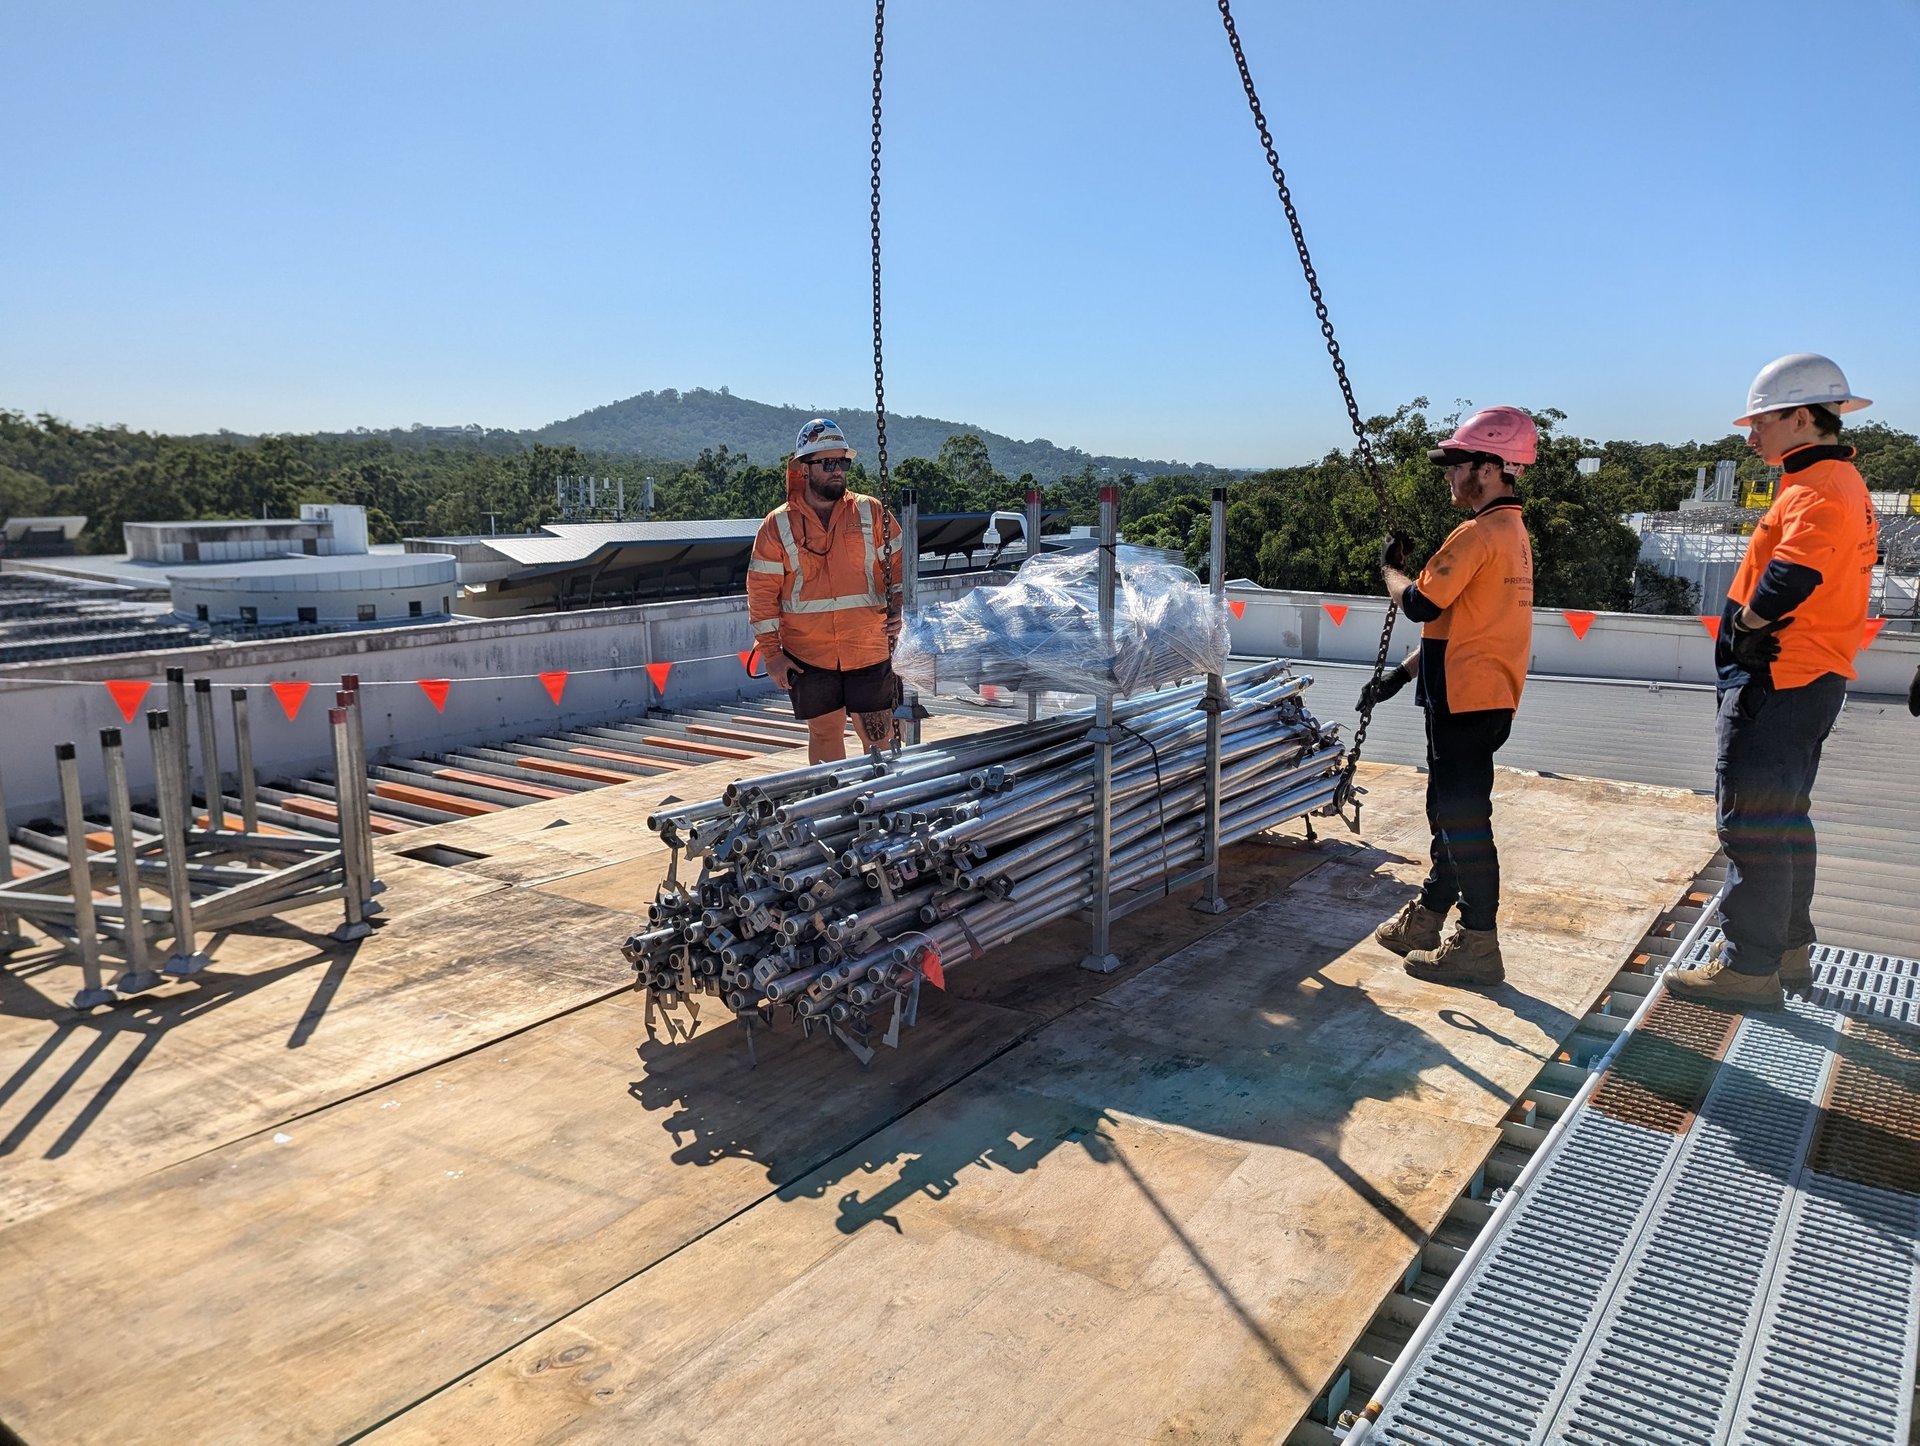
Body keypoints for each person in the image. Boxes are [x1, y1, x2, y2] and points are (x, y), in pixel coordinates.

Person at [1666, 354, 1877, 1008]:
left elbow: (1792, 576)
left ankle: (1747, 968)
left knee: (1751, 823)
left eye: (1760, 420)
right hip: (1810, 678)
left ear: (1799, 416)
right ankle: (1786, 950)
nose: (1750, 434)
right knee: (1784, 819)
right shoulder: (1832, 482)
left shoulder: (1819, 490)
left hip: (1783, 678)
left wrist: (1751, 628)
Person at [1361, 406, 1538, 987]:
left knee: (1464, 819)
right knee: (1450, 811)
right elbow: (1463, 623)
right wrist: (1404, 674)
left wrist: (1390, 570)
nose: (1448, 476)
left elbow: (1420, 605)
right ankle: (1428, 918)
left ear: (1488, 468)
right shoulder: (1513, 535)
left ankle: (1478, 944)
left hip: (1464, 700)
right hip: (1482, 696)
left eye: (1456, 465)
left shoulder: (1478, 533)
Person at [747, 418, 905, 764]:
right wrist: (772, 655)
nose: (838, 471)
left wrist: (898, 609)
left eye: (843, 462)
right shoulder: (778, 525)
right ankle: (831, 807)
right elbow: (762, 594)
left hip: (869, 647)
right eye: (828, 463)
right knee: (824, 733)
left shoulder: (871, 512)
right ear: (804, 469)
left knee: (879, 733)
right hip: (809, 655)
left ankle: (883, 804)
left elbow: (898, 567)